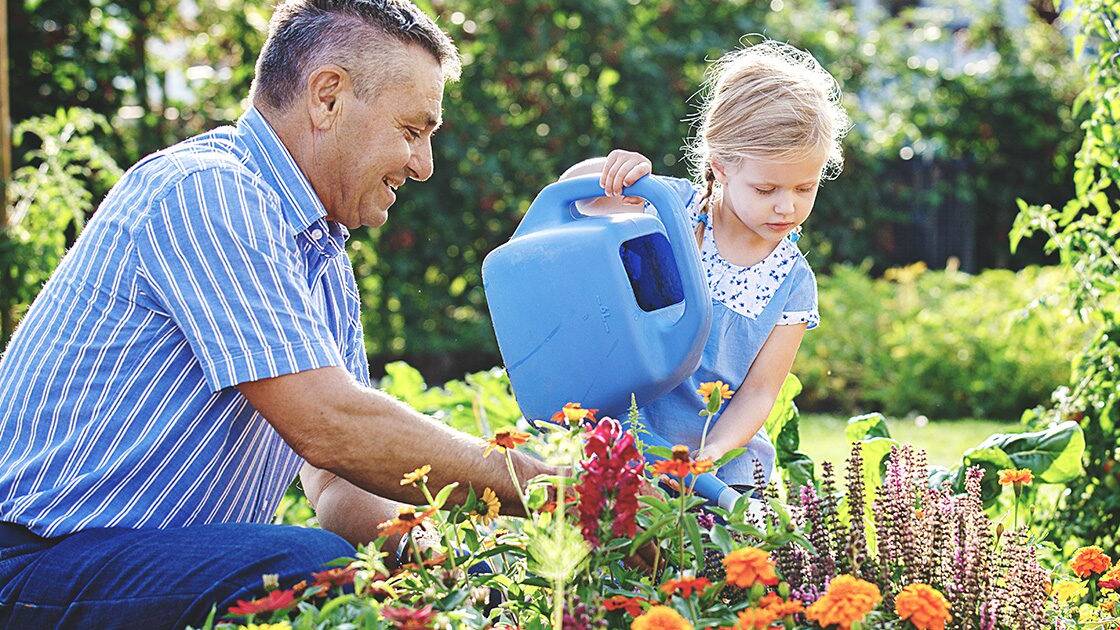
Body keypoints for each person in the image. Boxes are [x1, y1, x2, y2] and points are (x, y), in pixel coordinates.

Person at [0, 1, 551, 627]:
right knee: (308, 565)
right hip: (30, 563)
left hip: (121, 568)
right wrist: (544, 486)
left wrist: (432, 560)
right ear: (327, 97)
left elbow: (337, 480)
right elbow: (331, 426)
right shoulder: (208, 191)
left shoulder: (320, 258)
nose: (423, 165)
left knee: (348, 571)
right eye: (411, 131)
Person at [560, 40, 850, 494]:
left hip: (722, 472)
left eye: (804, 188)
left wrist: (711, 455)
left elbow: (759, 392)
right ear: (721, 167)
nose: (787, 206)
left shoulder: (793, 284)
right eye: (766, 189)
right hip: (628, 448)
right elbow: (572, 198)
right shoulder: (669, 208)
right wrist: (614, 169)